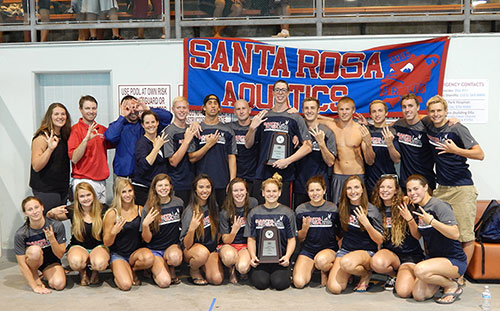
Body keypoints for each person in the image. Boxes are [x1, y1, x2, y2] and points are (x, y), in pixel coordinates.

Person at [425, 95, 484, 286]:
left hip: (462, 188)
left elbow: (480, 154)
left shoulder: (457, 128)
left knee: (465, 234)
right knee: (437, 229)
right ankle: (443, 268)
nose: (436, 114)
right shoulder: (430, 126)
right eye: (432, 111)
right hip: (441, 188)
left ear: (446, 111)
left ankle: (460, 275)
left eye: (439, 111)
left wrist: (456, 150)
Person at [245, 80, 312, 207]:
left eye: (283, 90)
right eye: (277, 90)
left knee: (283, 214)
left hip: (285, 175)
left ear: (288, 93)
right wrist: (252, 128)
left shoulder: (295, 117)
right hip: (262, 172)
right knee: (261, 214)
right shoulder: (264, 115)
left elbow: (308, 146)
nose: (280, 93)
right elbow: (248, 144)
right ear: (273, 93)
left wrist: (288, 161)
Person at [405, 174, 467, 304]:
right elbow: (418, 236)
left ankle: (451, 286)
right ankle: (443, 280)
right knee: (418, 295)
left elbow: (455, 234)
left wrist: (432, 221)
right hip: (434, 259)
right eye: (409, 190)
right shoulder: (417, 208)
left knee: (419, 270)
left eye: (416, 189)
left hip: (453, 260)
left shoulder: (439, 205)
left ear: (426, 187)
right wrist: (410, 219)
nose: (412, 193)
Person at [326, 175, 384, 294]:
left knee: (346, 263)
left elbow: (380, 240)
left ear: (362, 189)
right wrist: (340, 239)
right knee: (334, 288)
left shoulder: (371, 210)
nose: (353, 191)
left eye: (356, 187)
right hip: (346, 250)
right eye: (349, 188)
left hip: (366, 252)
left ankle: (365, 274)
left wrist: (366, 224)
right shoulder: (342, 207)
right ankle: (351, 271)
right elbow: (337, 227)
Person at [369, 175, 424, 297]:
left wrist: (409, 219)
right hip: (391, 254)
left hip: (410, 255)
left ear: (396, 190)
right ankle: (394, 275)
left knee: (403, 292)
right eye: (382, 187)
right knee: (376, 263)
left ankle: (410, 276)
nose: (385, 190)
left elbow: (417, 236)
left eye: (389, 187)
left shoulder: (406, 205)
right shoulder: (377, 208)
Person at [47, 182, 109, 286]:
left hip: (99, 246)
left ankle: (95, 272)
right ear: (77, 198)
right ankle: (82, 273)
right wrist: (51, 211)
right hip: (79, 246)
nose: (86, 198)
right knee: (76, 263)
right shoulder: (72, 210)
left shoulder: (103, 209)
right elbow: (50, 218)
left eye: (88, 195)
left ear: (93, 194)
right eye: (82, 196)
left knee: (99, 264)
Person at [245, 173, 297, 290]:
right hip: (261, 258)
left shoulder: (288, 213)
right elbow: (251, 238)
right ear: (263, 193)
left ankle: (285, 271)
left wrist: (287, 257)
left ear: (279, 193)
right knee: (260, 283)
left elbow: (292, 238)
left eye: (274, 191)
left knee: (280, 284)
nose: (271, 194)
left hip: (280, 258)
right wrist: (253, 256)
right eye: (268, 191)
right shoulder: (254, 212)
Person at [320, 96, 375, 205]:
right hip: (338, 176)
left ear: (353, 110)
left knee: (358, 211)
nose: (344, 112)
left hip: (357, 174)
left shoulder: (360, 129)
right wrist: (295, 113)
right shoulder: (332, 125)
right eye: (341, 109)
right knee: (338, 211)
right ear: (337, 110)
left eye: (347, 109)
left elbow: (370, 161)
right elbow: (312, 117)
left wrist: (368, 144)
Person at [103, 178, 154, 291]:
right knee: (126, 285)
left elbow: (147, 239)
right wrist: (113, 232)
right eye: (124, 192)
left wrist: (145, 226)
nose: (127, 195)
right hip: (118, 254)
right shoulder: (112, 213)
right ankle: (119, 272)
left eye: (130, 191)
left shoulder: (140, 210)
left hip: (135, 254)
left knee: (149, 258)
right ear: (118, 194)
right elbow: (107, 242)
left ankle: (132, 269)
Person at [105, 95, 172, 179]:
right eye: (128, 108)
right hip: (124, 177)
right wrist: (122, 116)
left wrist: (146, 108)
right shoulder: (119, 126)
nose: (132, 111)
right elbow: (110, 137)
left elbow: (168, 117)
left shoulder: (146, 125)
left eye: (134, 107)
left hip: (144, 177)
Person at [188, 94, 237, 207]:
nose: (213, 106)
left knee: (223, 217)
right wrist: (208, 145)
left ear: (219, 108)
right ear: (204, 107)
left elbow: (231, 156)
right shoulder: (196, 129)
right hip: (202, 185)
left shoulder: (228, 131)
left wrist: (232, 181)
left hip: (222, 182)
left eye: (215, 103)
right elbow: (192, 158)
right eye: (209, 103)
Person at [293, 176, 340, 289]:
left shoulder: (333, 208)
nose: (315, 193)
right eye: (311, 190)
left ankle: (325, 270)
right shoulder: (301, 209)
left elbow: (340, 232)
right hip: (308, 250)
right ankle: (313, 267)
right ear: (307, 192)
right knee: (299, 283)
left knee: (321, 260)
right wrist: (304, 229)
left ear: (324, 190)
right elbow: (299, 238)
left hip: (328, 249)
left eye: (318, 190)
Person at [14, 196, 66, 294]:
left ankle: (45, 273)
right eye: (30, 209)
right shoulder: (21, 233)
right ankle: (35, 275)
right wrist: (34, 286)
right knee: (35, 251)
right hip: (33, 260)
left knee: (59, 284)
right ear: (25, 213)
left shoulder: (56, 226)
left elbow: (60, 255)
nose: (34, 211)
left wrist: (52, 239)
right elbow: (22, 264)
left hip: (51, 260)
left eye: (36, 207)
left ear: (42, 207)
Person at [68, 95, 113, 203]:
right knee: (84, 218)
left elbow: (116, 141)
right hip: (84, 181)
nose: (91, 111)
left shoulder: (101, 129)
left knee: (100, 217)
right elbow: (74, 158)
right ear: (80, 110)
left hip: (102, 181)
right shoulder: (75, 130)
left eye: (94, 108)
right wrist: (86, 140)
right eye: (87, 108)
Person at [179, 174, 224, 285]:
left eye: (208, 187)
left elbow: (217, 232)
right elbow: (186, 245)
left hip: (210, 250)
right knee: (202, 254)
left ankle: (204, 265)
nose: (205, 190)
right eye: (201, 187)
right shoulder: (190, 211)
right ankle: (193, 269)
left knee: (216, 279)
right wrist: (192, 229)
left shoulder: (214, 206)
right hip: (193, 250)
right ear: (195, 189)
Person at [141, 174, 183, 287]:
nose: (163, 188)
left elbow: (182, 226)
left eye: (166, 185)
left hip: (172, 247)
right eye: (160, 185)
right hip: (155, 249)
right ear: (154, 188)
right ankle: (154, 269)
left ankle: (171, 267)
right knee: (164, 282)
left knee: (175, 258)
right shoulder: (148, 207)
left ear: (170, 187)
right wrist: (145, 225)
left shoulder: (178, 203)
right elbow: (147, 239)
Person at [30, 103, 72, 214]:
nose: (60, 117)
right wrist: (49, 149)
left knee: (56, 225)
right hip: (46, 190)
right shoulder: (42, 137)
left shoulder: (65, 136)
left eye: (63, 114)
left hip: (62, 189)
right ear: (50, 116)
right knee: (46, 223)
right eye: (56, 114)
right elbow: (36, 166)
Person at [294, 97, 336, 207]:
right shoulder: (296, 131)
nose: (309, 111)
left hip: (320, 186)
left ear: (318, 110)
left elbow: (330, 162)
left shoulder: (327, 132)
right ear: (302, 110)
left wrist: (321, 143)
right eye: (306, 108)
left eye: (312, 108)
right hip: (300, 185)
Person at [218, 178, 258, 284]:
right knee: (229, 257)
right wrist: (234, 230)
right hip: (230, 244)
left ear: (246, 191)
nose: (239, 193)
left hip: (245, 244)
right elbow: (225, 240)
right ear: (230, 193)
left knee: (243, 268)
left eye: (241, 190)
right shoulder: (225, 212)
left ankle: (240, 267)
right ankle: (231, 270)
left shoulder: (253, 204)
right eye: (235, 191)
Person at [393, 93, 435, 191]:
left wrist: (452, 121)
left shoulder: (427, 126)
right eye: (404, 107)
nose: (407, 110)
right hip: (406, 183)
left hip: (425, 182)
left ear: (418, 107)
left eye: (410, 106)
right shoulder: (399, 125)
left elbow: (442, 124)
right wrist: (369, 125)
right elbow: (383, 127)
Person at [163, 96, 199, 206]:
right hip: (177, 183)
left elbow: (192, 156)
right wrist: (186, 140)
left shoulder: (192, 129)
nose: (182, 110)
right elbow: (173, 161)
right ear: (173, 109)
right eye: (178, 107)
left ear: (188, 110)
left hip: (192, 182)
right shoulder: (169, 131)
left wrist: (195, 124)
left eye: (184, 108)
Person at [364, 100, 400, 195]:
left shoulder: (393, 132)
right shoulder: (367, 132)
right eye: (374, 111)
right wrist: (368, 143)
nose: (377, 114)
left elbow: (396, 159)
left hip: (389, 180)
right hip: (371, 182)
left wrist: (390, 145)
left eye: (380, 111)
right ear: (370, 115)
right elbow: (369, 161)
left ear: (386, 113)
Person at [132, 110, 168, 206]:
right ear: (143, 125)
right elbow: (145, 165)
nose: (150, 125)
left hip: (158, 189)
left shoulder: (161, 139)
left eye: (153, 122)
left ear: (157, 123)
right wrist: (156, 148)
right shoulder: (142, 143)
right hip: (143, 189)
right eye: (147, 123)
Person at [227, 99, 258, 196]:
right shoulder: (228, 128)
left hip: (253, 177)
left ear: (249, 110)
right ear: (234, 112)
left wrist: (294, 135)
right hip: (235, 176)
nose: (241, 111)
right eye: (238, 109)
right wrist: (195, 123)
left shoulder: (258, 126)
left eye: (244, 108)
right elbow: (212, 125)